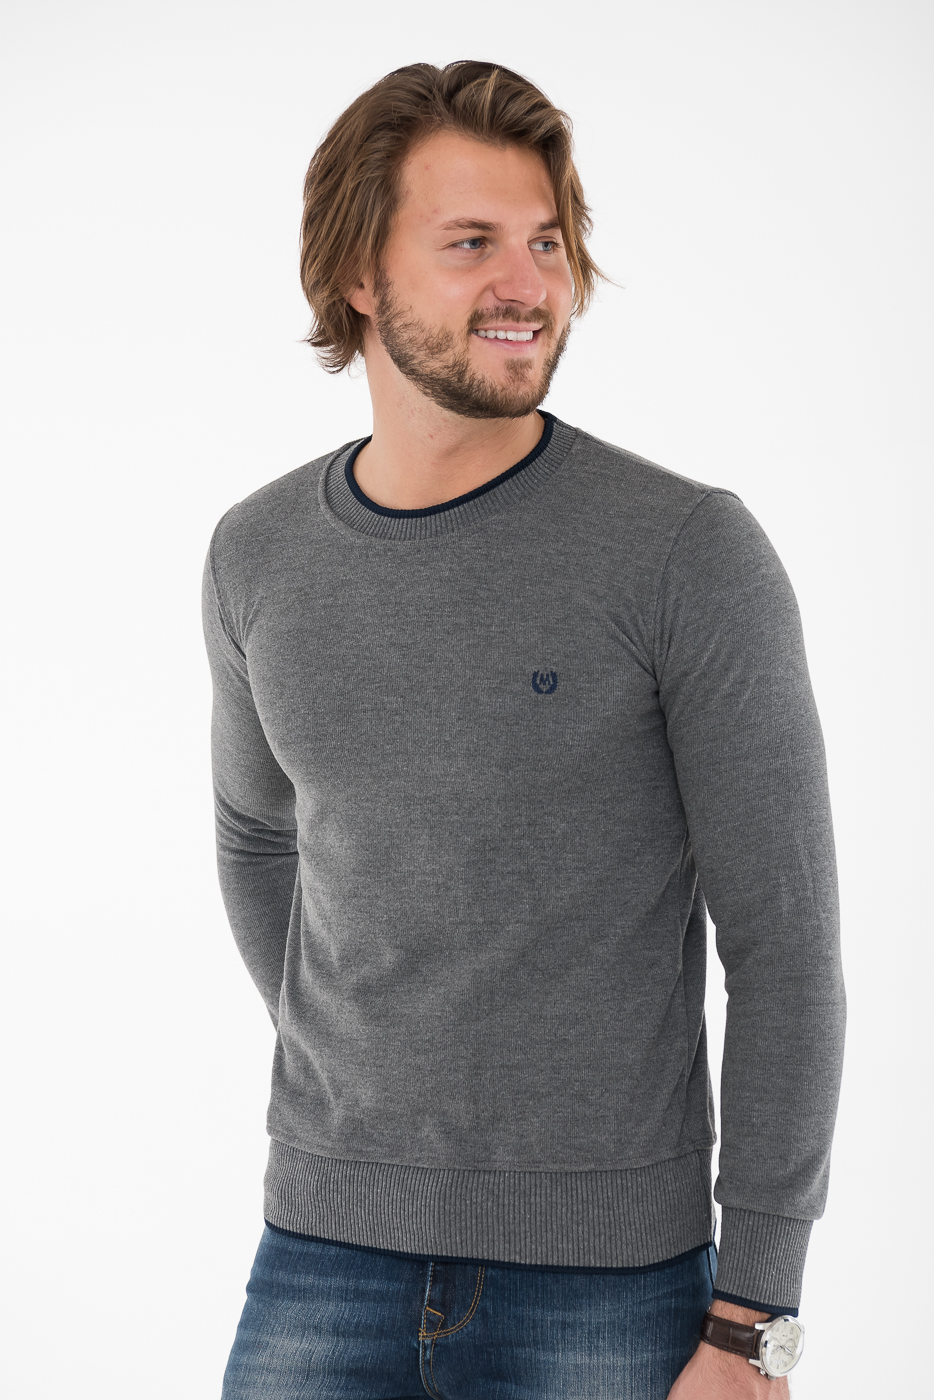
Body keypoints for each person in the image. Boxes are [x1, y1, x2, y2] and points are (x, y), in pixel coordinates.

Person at [202, 59, 845, 1400]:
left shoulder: (683, 551)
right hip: (320, 1253)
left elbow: (784, 947)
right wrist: (366, 1075)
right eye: (471, 243)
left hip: (605, 1289)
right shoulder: (256, 554)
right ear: (358, 274)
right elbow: (257, 836)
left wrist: (753, 1316)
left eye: (545, 242)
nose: (528, 284)